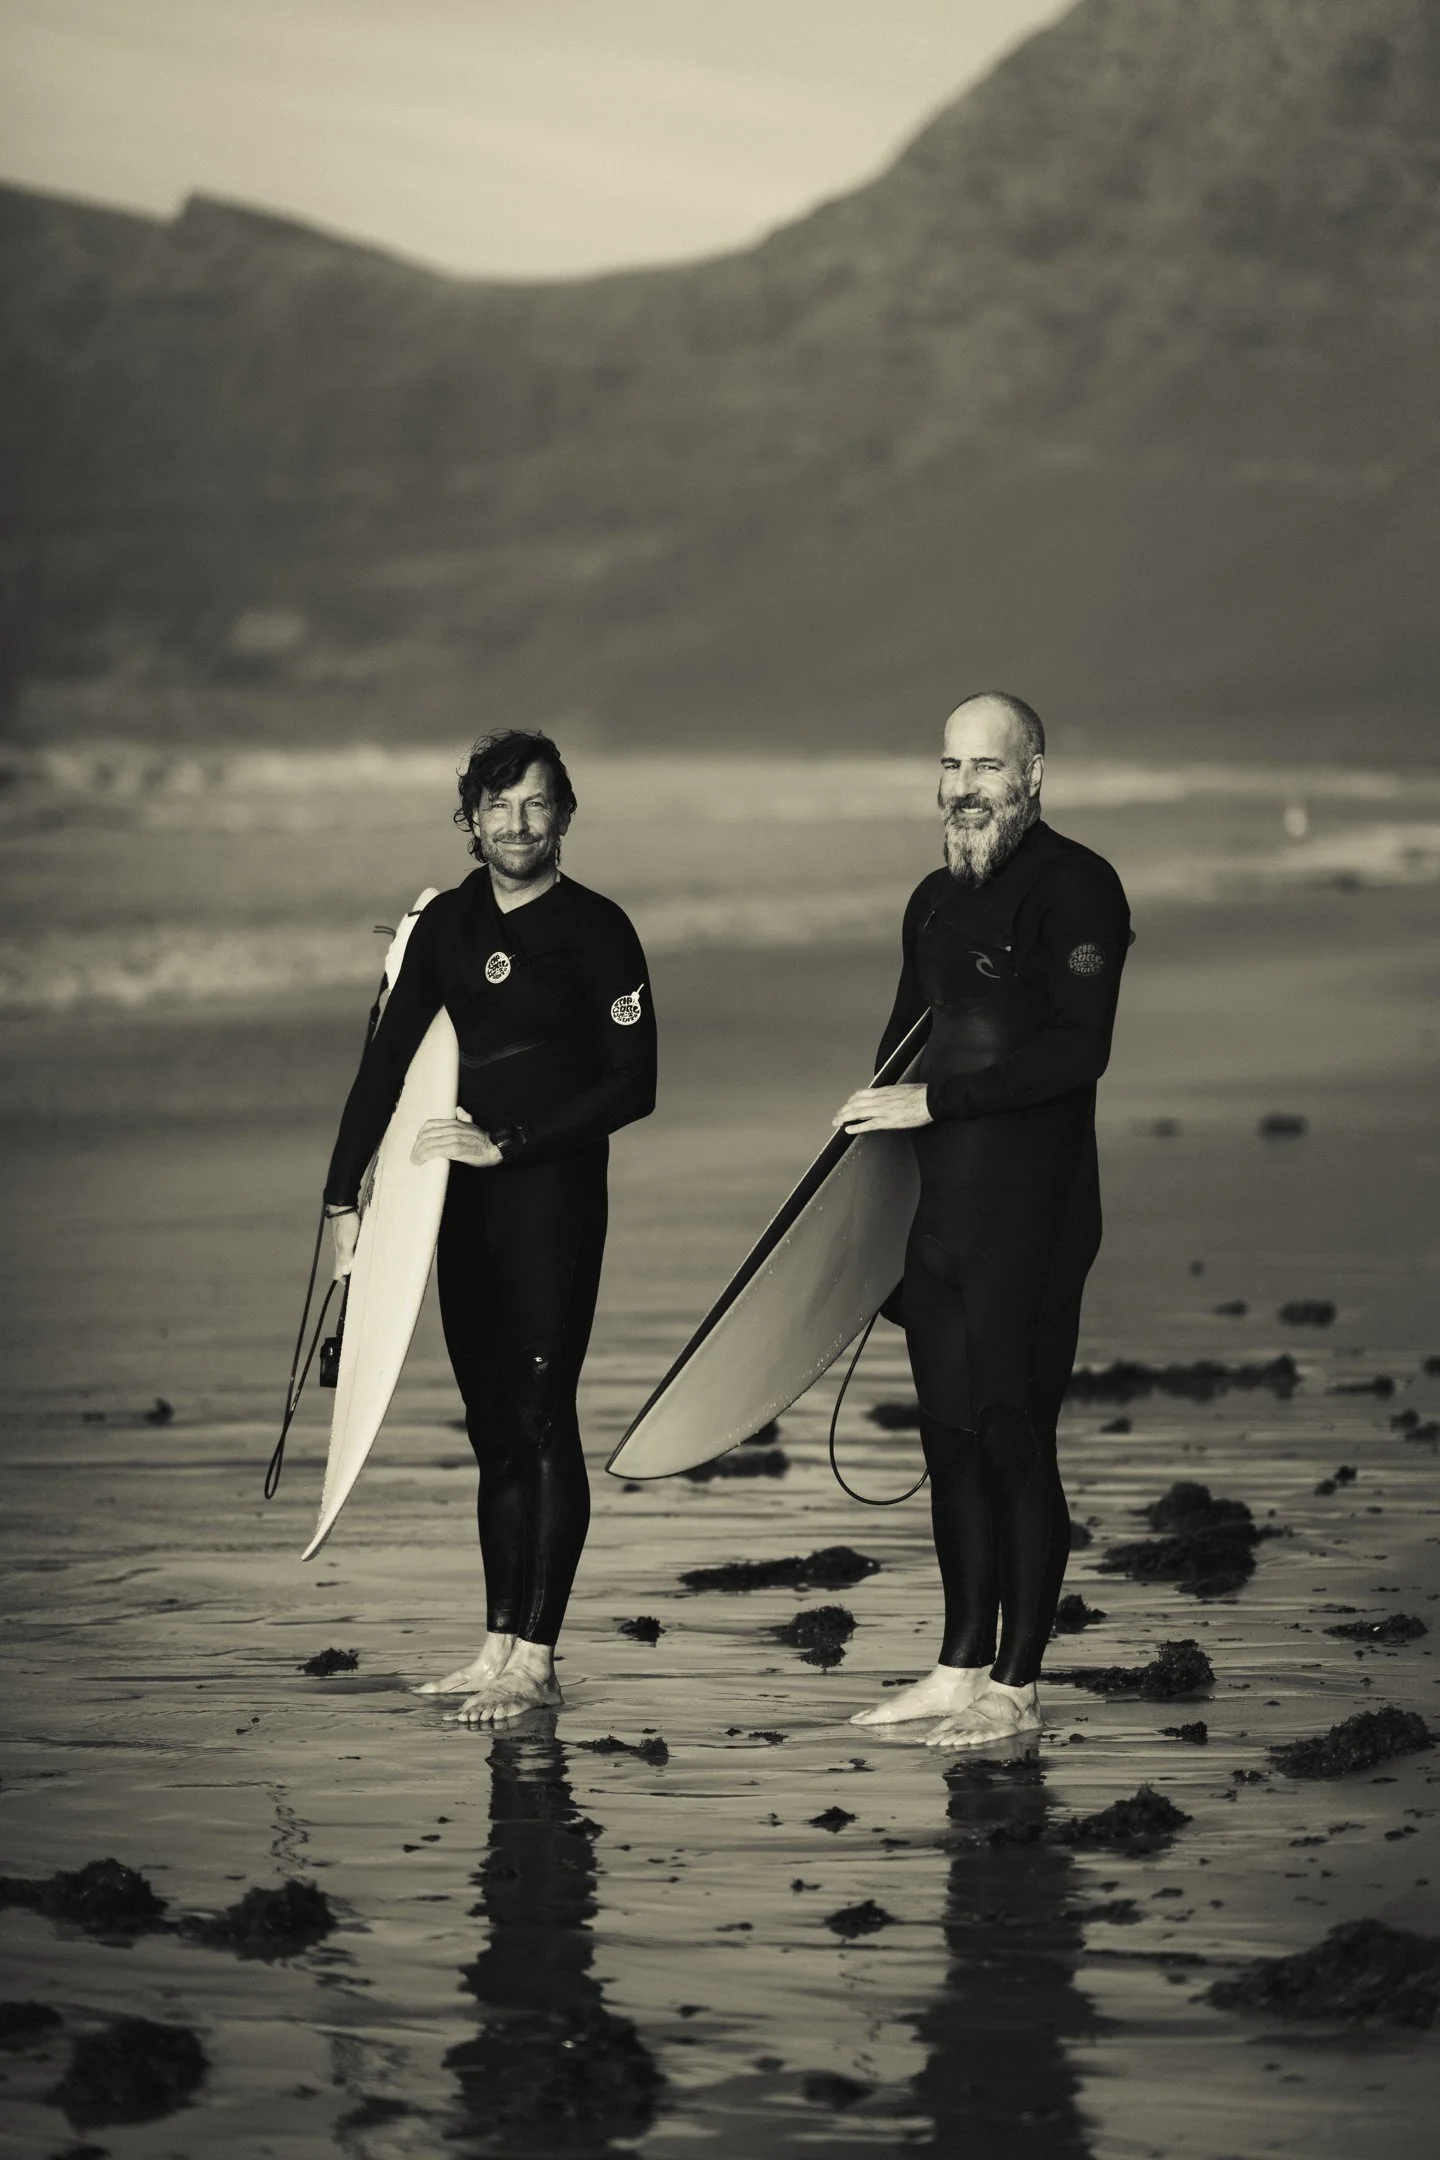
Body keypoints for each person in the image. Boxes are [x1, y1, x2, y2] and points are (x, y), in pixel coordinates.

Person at [324, 731, 656, 1724]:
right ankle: (497, 1642)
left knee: (544, 1420)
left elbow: (633, 1086)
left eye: (538, 804)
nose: (517, 823)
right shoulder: (447, 927)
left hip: (550, 1200)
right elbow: (385, 1072)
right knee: (492, 1429)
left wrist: (508, 1140)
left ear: (566, 814)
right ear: (468, 817)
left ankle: (538, 1659)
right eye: (498, 806)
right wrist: (344, 1201)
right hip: (454, 1209)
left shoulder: (598, 931)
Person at [835, 693, 1130, 1748]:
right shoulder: (929, 901)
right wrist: (852, 1192)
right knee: (949, 1441)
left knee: (1013, 1437)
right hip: (940, 1218)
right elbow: (901, 1050)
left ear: (1034, 774)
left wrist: (937, 1105)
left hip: (1035, 1216)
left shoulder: (1079, 888)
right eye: (950, 767)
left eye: (987, 768)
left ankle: (1020, 1683)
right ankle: (961, 1665)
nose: (964, 788)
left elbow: (1075, 1051)